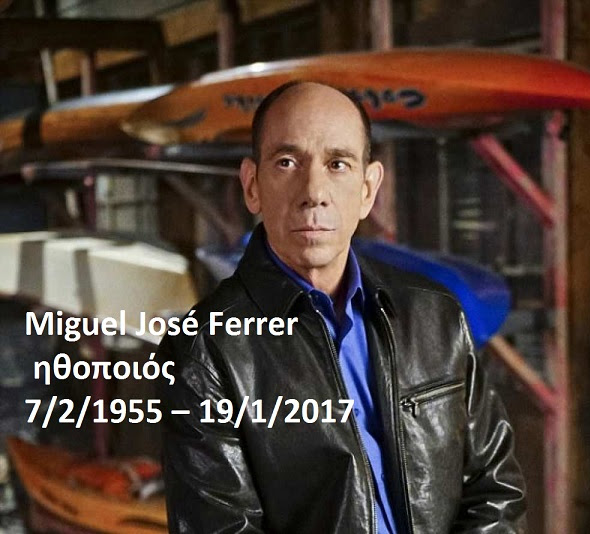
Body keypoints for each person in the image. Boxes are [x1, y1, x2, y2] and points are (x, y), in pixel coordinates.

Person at [157, 81, 527, 533]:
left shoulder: (436, 314)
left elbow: (496, 489)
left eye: (338, 164)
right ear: (252, 186)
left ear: (368, 189)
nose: (314, 191)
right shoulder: (205, 348)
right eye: (287, 162)